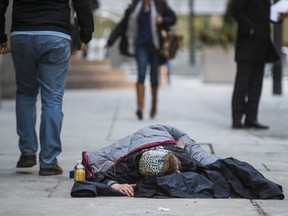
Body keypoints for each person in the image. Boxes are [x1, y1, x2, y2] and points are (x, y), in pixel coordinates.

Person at [0, 0, 94, 175]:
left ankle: (27, 153)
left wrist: (1, 36)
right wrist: (85, 35)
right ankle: (48, 161)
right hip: (55, 34)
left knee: (25, 93)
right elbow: (82, 3)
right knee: (52, 98)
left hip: (22, 34)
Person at [72, 124, 284, 199]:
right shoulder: (131, 163)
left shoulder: (184, 159)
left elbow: (201, 162)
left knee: (210, 163)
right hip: (146, 139)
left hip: (170, 135)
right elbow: (101, 174)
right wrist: (114, 184)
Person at [105, 0, 176, 120]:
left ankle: (153, 106)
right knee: (141, 74)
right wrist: (110, 41)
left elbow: (173, 19)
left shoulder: (160, 4)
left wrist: (162, 20)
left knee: (154, 77)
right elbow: (123, 25)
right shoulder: (134, 6)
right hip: (140, 46)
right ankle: (140, 108)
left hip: (155, 47)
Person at [230, 0, 279, 129]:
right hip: (247, 45)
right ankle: (237, 118)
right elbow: (236, 10)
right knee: (242, 83)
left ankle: (251, 118)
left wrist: (279, 16)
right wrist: (250, 28)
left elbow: (266, 15)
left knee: (256, 85)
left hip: (262, 45)